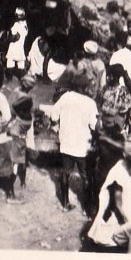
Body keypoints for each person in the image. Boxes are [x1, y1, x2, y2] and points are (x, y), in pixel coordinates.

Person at [43, 83, 99, 212]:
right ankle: (87, 208)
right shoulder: (90, 103)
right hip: (83, 145)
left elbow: (54, 116)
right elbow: (94, 126)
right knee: (85, 176)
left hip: (66, 142)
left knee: (65, 173)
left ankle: (65, 203)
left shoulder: (65, 97)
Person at [87, 142, 131, 252]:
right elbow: (118, 202)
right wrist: (126, 220)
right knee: (115, 236)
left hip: (129, 202)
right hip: (122, 209)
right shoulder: (120, 170)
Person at [4, 9, 29, 80]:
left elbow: (14, 37)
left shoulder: (16, 25)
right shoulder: (25, 25)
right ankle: (22, 79)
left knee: (10, 63)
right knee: (21, 64)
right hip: (20, 46)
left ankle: (9, 79)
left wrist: (7, 40)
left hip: (14, 46)